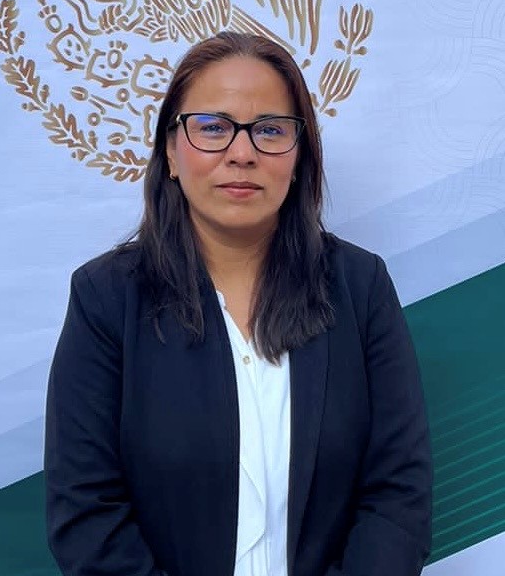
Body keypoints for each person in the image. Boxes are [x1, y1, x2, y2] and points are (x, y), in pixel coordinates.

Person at [44, 31, 432, 576]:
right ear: (171, 152)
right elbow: (86, 512)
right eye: (213, 128)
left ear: (298, 155)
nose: (242, 153)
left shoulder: (360, 286)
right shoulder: (106, 298)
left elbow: (398, 495)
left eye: (270, 130)